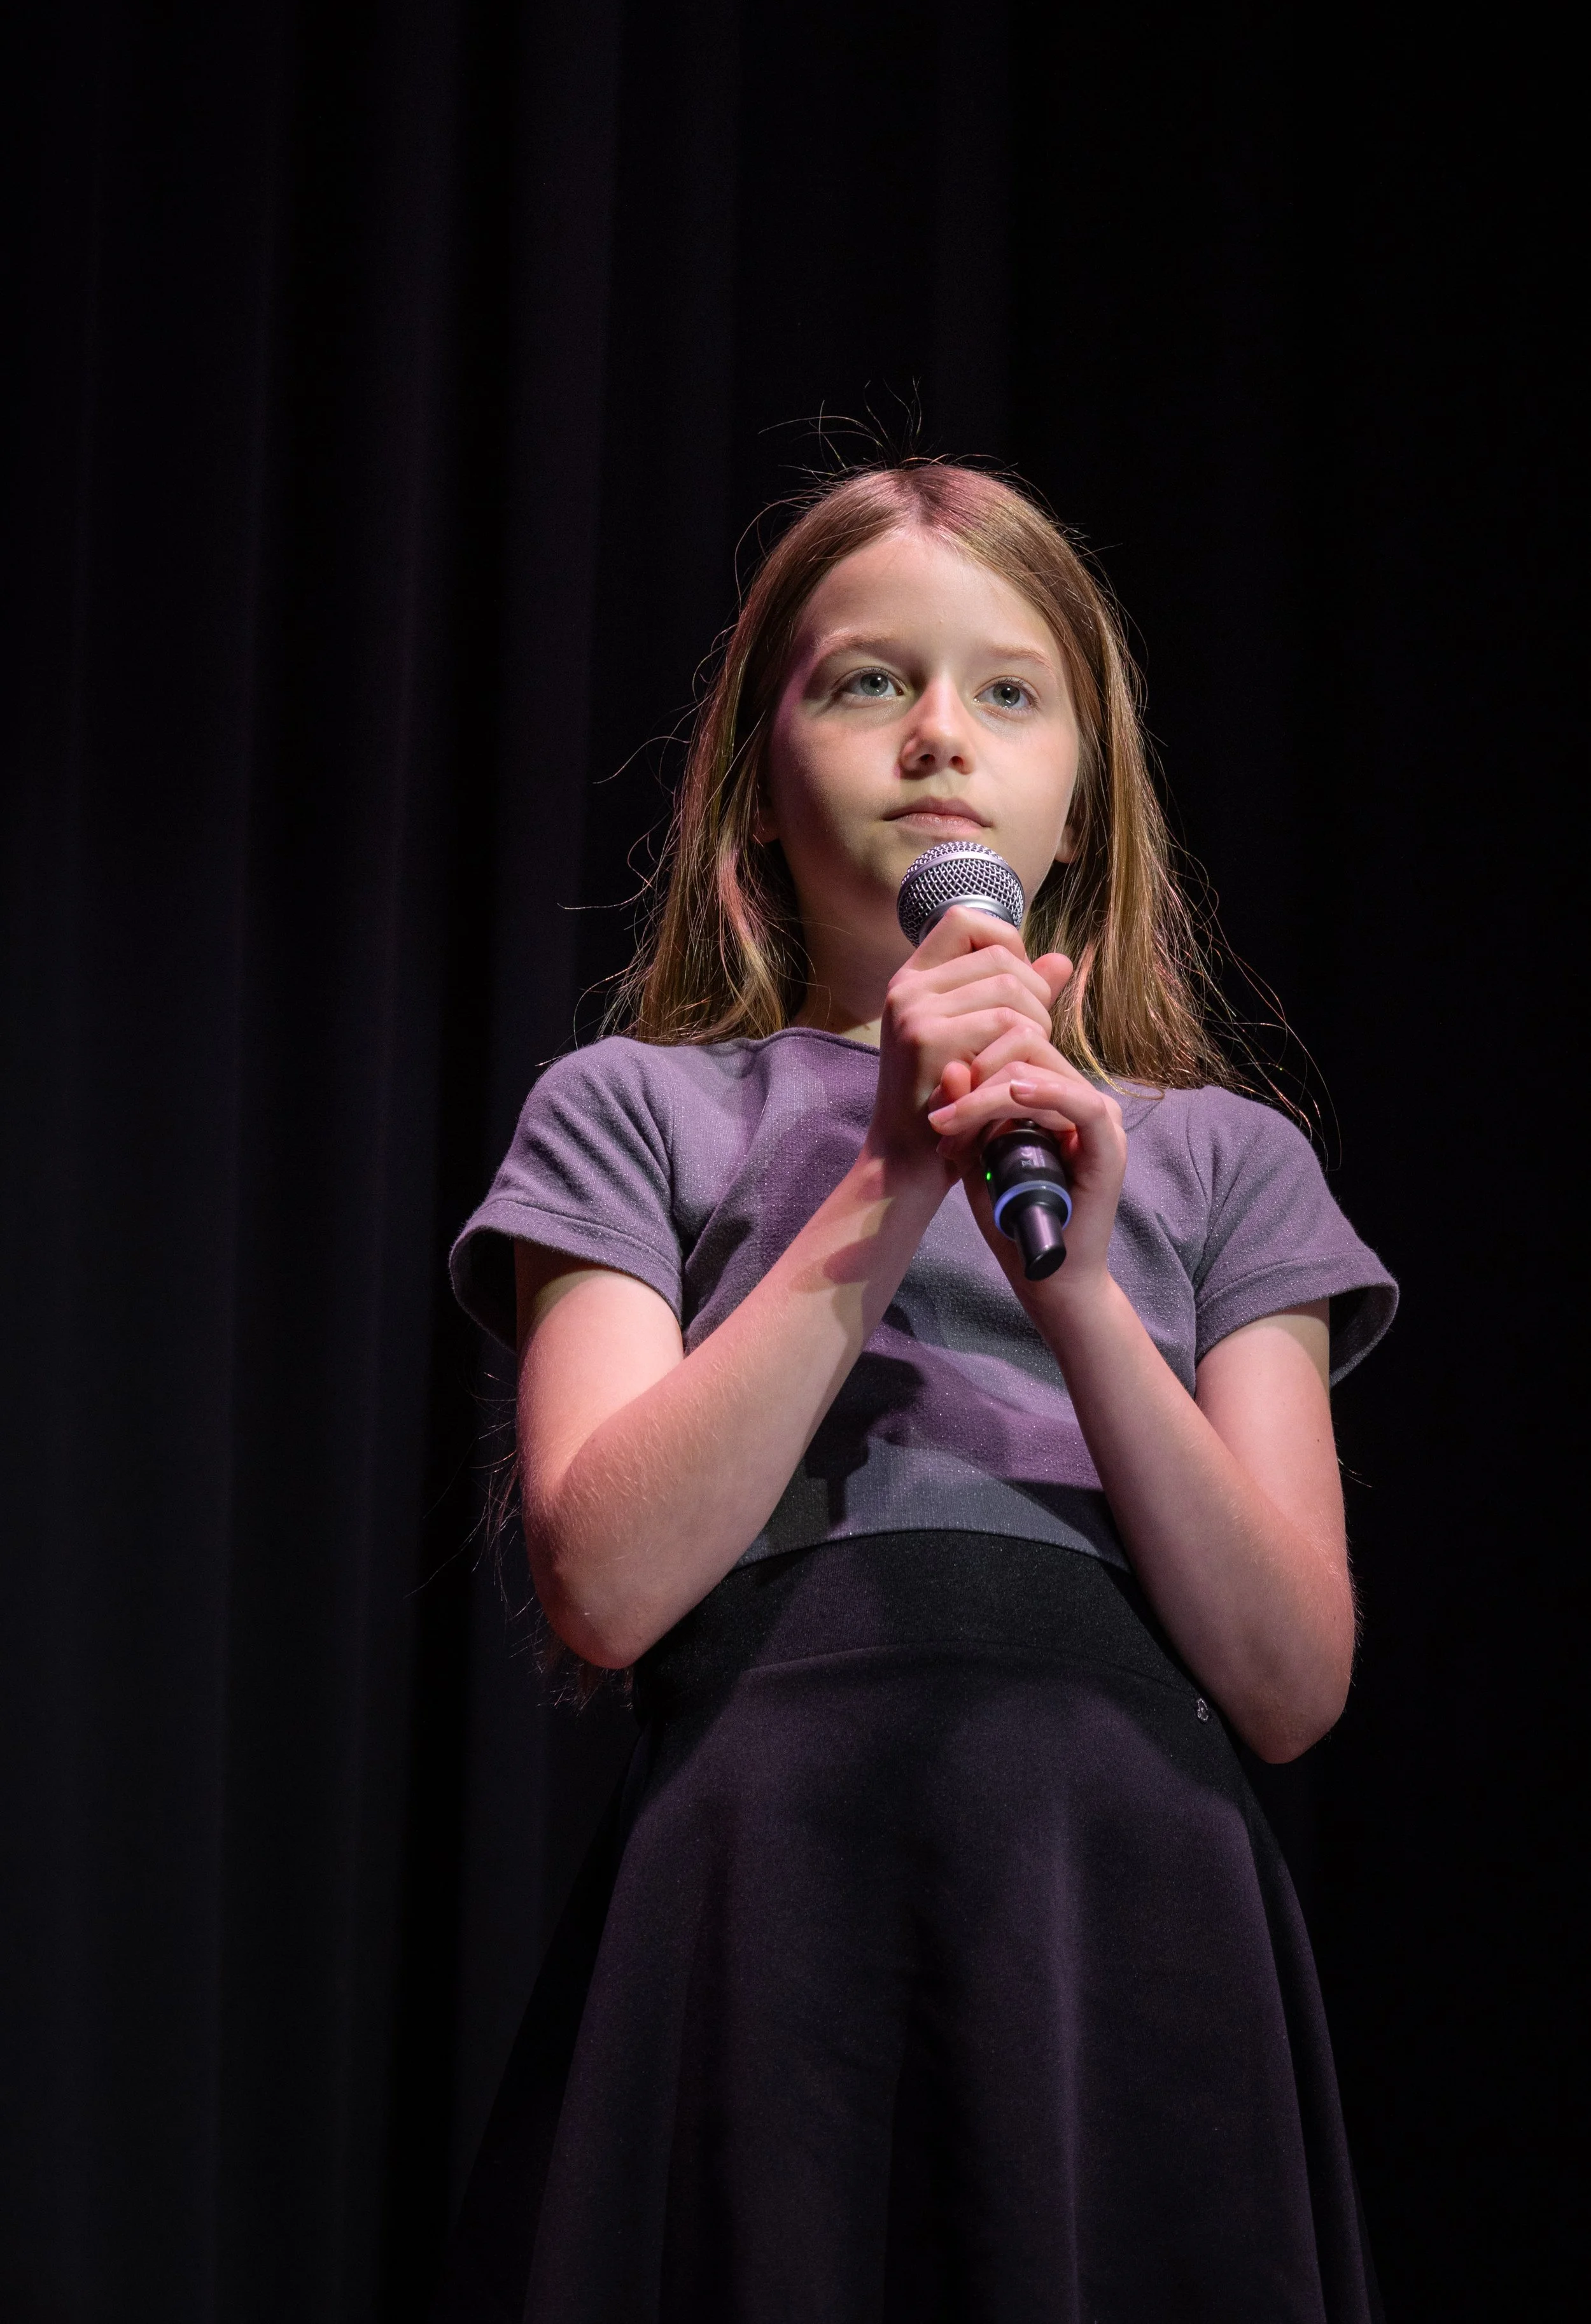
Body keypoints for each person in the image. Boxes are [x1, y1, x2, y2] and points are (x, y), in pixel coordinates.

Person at [437, 463, 1396, 2323]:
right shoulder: (639, 1109)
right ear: (754, 766)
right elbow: (607, 1578)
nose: (939, 731)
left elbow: (1288, 1679)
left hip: (1127, 1899)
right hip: (768, 1875)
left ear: (1080, 790)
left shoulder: (1215, 1157)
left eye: (1006, 690)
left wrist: (1080, 1293)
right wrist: (886, 1175)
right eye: (868, 680)